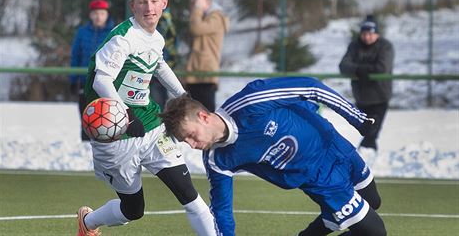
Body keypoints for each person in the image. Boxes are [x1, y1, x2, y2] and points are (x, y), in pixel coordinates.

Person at [159, 77, 386, 236]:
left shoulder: (251, 101)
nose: (191, 144)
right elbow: (222, 211)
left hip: (333, 143)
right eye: (185, 141)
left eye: (190, 135)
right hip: (318, 177)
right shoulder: (217, 159)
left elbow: (312, 87)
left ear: (203, 117)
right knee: (375, 232)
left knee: (373, 201)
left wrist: (358, 119)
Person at [77, 0, 216, 236]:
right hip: (117, 135)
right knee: (133, 209)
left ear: (164, 3)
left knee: (189, 194)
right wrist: (127, 117)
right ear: (133, 6)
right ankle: (88, 223)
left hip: (151, 125)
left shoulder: (156, 38)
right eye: (142, 2)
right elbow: (101, 80)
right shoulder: (122, 39)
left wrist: (183, 95)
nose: (149, 7)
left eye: (154, 1)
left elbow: (159, 65)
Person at [339, 15, 394, 161]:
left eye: (370, 34)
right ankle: (368, 158)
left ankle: (362, 158)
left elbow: (382, 67)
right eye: (364, 34)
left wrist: (360, 69)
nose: (367, 37)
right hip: (361, 96)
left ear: (377, 34)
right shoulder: (354, 45)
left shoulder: (385, 46)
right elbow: (343, 65)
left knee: (372, 131)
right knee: (366, 131)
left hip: (379, 97)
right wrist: (361, 70)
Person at [70, 0, 115, 140]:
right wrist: (73, 79)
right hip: (85, 81)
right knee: (85, 114)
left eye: (101, 13)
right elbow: (75, 56)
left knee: (106, 116)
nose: (98, 16)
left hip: (107, 81)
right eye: (95, 13)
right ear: (90, 15)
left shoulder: (114, 33)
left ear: (107, 15)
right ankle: (84, 144)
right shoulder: (82, 32)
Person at [185, 0, 230, 112]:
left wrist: (198, 8)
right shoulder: (202, 17)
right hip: (196, 73)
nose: (195, 7)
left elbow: (196, 28)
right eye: (194, 3)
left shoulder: (216, 17)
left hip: (205, 73)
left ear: (208, 2)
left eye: (198, 2)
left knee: (205, 113)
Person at [150, 7, 179, 109]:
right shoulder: (167, 24)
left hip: (157, 71)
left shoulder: (164, 24)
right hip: (151, 71)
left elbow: (172, 49)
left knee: (158, 106)